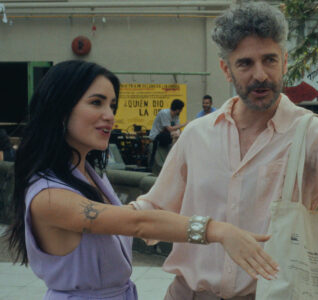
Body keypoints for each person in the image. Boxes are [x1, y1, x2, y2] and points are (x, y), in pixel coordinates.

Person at [130, 2, 318, 299]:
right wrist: (88, 216)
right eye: (246, 63)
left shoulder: (313, 135)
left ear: (285, 62)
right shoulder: (197, 135)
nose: (260, 74)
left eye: (270, 60)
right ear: (226, 69)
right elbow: (152, 211)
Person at [4, 60, 278, 300]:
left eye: (112, 105)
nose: (109, 115)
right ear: (60, 109)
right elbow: (137, 223)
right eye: (96, 102)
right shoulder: (49, 196)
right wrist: (218, 231)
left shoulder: (88, 174)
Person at [148, 99, 187, 174]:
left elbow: (177, 128)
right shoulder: (164, 113)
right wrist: (184, 124)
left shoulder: (176, 116)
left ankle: (176, 154)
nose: (181, 112)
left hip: (166, 135)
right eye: (180, 110)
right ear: (178, 109)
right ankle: (173, 154)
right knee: (174, 134)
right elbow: (169, 128)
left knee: (178, 134)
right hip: (157, 136)